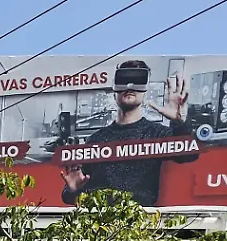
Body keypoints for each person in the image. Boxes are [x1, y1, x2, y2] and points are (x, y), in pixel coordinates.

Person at [61, 60, 198, 207]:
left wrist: (180, 122)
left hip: (139, 223)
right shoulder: (96, 139)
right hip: (101, 223)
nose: (130, 87)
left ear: (145, 91)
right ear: (114, 91)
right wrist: (73, 190)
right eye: (124, 80)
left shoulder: (156, 134)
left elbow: (189, 154)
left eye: (137, 81)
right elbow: (69, 194)